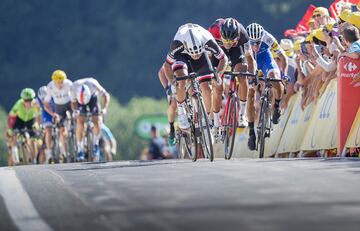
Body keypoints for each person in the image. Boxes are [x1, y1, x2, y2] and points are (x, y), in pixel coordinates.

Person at [163, 23, 228, 131]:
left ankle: (206, 119)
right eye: (194, 55)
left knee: (207, 87)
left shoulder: (208, 40)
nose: (195, 56)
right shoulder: (177, 44)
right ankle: (181, 110)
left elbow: (223, 59)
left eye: (197, 54)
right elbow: (167, 65)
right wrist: (173, 82)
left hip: (203, 53)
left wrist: (218, 75)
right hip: (182, 55)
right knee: (181, 79)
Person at [246, 23, 287, 150]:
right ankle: (251, 132)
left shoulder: (268, 38)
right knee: (250, 94)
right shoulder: (244, 42)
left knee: (276, 78)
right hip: (250, 61)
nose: (256, 46)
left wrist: (284, 75)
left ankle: (276, 107)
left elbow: (283, 57)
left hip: (265, 60)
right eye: (253, 43)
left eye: (258, 42)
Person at [210, 17, 256, 127]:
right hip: (218, 51)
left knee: (242, 75)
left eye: (231, 41)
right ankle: (215, 120)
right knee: (218, 86)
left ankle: (242, 114)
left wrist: (252, 77)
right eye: (226, 41)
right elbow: (207, 57)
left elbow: (250, 59)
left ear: (238, 36)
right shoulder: (212, 31)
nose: (228, 44)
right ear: (220, 34)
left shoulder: (243, 35)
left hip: (236, 51)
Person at [71, 77, 110, 161]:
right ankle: (80, 148)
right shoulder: (73, 88)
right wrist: (75, 111)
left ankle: (96, 143)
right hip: (80, 102)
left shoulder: (94, 84)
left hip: (93, 99)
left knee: (97, 120)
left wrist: (105, 109)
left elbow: (106, 95)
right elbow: (73, 103)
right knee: (80, 122)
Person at [44, 70, 73, 161]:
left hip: (69, 104)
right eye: (58, 83)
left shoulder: (69, 84)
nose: (60, 85)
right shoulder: (50, 86)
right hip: (58, 107)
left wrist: (74, 111)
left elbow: (74, 99)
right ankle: (63, 151)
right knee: (62, 130)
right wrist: (53, 114)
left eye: (62, 82)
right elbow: (46, 104)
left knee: (78, 119)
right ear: (54, 81)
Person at [8, 88, 40, 165]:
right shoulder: (18, 104)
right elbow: (11, 115)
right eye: (26, 100)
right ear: (23, 100)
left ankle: (34, 159)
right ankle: (15, 149)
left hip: (30, 120)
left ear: (33, 99)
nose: (28, 102)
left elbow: (38, 116)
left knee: (33, 140)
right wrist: (11, 128)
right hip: (20, 120)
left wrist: (36, 124)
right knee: (15, 134)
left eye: (30, 100)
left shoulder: (36, 104)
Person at [158, 63, 177, 146]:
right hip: (174, 85)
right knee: (174, 104)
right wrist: (166, 88)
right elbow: (161, 72)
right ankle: (172, 128)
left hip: (188, 82)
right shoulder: (173, 55)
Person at [36, 86, 55, 163]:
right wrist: (39, 125)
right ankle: (49, 151)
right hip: (46, 115)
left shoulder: (53, 96)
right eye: (42, 100)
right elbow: (37, 114)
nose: (44, 101)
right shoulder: (37, 101)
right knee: (48, 129)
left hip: (54, 111)